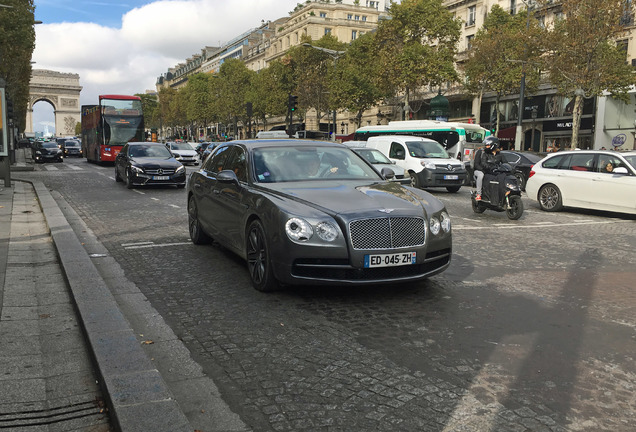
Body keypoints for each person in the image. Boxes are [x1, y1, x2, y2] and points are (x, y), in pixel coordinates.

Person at [474, 136, 500, 201]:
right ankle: (478, 194)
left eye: (488, 145)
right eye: (486, 145)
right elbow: (476, 164)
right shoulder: (481, 152)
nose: (486, 147)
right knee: (481, 175)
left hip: (488, 170)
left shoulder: (496, 153)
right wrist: (483, 170)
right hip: (479, 170)